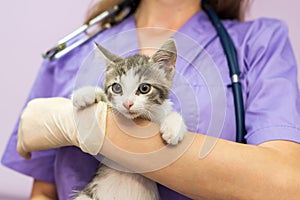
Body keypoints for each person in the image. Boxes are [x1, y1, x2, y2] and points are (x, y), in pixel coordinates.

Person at [2, 0, 300, 199]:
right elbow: (44, 194)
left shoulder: (259, 43)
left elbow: (286, 184)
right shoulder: (72, 53)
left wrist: (90, 126)